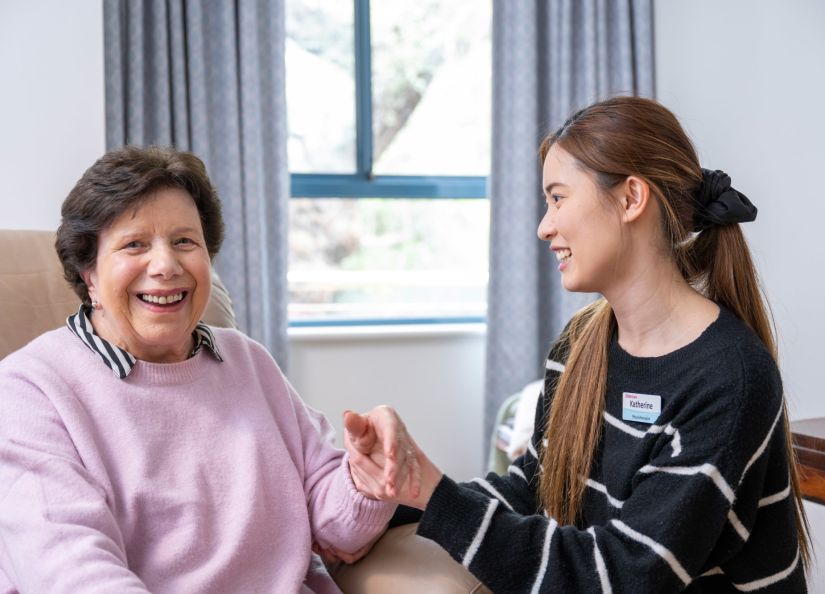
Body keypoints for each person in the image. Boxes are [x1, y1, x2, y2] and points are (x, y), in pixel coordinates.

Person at [344, 96, 811, 592]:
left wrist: (435, 495)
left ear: (631, 198)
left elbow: (626, 573)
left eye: (558, 198)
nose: (544, 227)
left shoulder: (728, 378)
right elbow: (538, 487)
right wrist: (394, 496)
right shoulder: (581, 342)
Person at [0, 146, 415, 593]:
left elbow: (336, 532)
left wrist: (368, 478)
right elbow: (70, 572)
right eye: (134, 244)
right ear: (90, 275)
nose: (166, 265)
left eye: (184, 241)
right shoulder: (29, 390)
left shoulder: (247, 360)